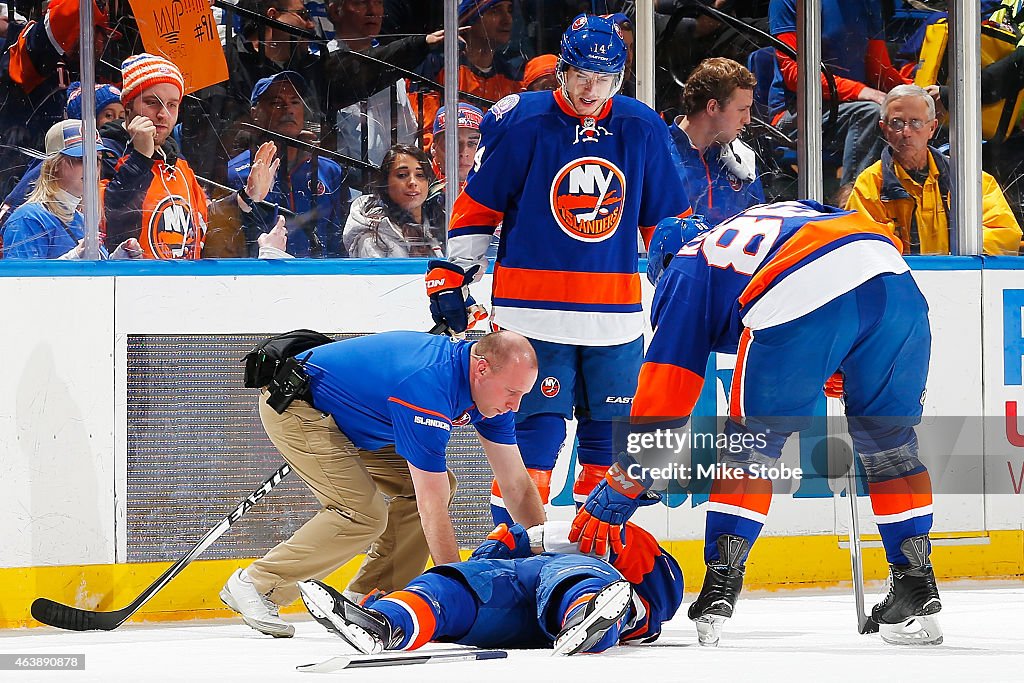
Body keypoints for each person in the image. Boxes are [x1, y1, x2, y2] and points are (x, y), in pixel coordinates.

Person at [571, 201, 943, 647]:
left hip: (797, 288)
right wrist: (840, 346)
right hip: (894, 280)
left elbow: (666, 392)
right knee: (892, 447)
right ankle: (916, 583)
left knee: (749, 449)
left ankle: (719, 589)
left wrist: (631, 476)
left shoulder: (685, 268)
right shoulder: (766, 215)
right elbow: (858, 248)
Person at [424, 14, 691, 526]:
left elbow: (667, 226)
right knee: (535, 432)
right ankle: (515, 546)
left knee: (608, 436)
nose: (591, 90)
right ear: (563, 70)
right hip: (532, 315)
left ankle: (600, 547)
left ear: (619, 78)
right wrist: (457, 272)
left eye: (604, 78)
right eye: (581, 75)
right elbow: (479, 206)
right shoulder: (521, 119)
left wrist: (683, 288)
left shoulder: (640, 126)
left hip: (614, 317)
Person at [219, 329, 547, 638]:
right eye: (512, 393)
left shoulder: (495, 399)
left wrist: (545, 557)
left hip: (358, 424)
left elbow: (516, 485)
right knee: (361, 514)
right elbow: (430, 507)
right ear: (482, 369)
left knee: (440, 483)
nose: (515, 406)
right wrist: (459, 592)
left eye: (522, 394)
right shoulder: (428, 387)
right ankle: (258, 583)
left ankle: (374, 595)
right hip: (299, 408)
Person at [297, 519, 682, 656]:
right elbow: (498, 552)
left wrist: (528, 538)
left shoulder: (634, 575)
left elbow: (660, 590)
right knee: (450, 586)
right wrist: (504, 544)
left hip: (581, 585)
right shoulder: (535, 548)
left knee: (578, 573)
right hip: (518, 586)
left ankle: (586, 615)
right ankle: (384, 624)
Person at [102, 54, 277, 259]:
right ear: (128, 107)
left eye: (172, 104)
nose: (163, 114)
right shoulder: (105, 153)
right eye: (152, 102)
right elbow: (110, 217)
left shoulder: (177, 162)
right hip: (128, 284)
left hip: (184, 284)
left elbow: (202, 220)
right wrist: (140, 158)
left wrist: (245, 197)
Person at [768, 0, 922, 194]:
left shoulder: (869, 3)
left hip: (852, 109)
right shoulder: (789, 2)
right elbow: (796, 75)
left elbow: (878, 69)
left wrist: (916, 93)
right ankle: (854, 204)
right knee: (871, 113)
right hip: (797, 114)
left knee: (917, 116)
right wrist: (860, 91)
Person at [846, 84, 1021, 255]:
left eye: (915, 122)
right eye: (897, 123)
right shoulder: (869, 184)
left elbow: (1005, 234)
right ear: (884, 129)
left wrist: (951, 261)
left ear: (932, 128)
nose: (906, 132)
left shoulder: (968, 178)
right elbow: (860, 246)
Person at [228, 72, 349, 258]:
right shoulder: (237, 171)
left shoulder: (329, 170)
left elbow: (339, 239)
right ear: (255, 113)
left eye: (295, 102)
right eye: (276, 102)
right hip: (260, 275)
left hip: (322, 277)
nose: (288, 109)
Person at [2, 119, 139, 259]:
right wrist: (73, 258)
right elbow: (21, 279)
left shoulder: (81, 219)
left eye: (96, 159)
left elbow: (91, 278)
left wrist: (118, 260)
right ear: (54, 165)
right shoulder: (29, 219)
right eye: (81, 159)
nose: (92, 167)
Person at [671, 57, 764, 227]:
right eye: (742, 110)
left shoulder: (742, 160)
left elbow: (760, 230)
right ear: (712, 107)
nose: (748, 120)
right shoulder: (658, 154)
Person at [412, 0, 523, 135]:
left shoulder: (513, 77)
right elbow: (425, 135)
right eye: (495, 11)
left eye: (509, 10)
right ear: (468, 19)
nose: (508, 20)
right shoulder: (437, 67)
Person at [343, 144, 444, 257]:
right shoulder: (372, 239)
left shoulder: (440, 225)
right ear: (386, 184)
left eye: (420, 175)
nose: (412, 182)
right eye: (402, 175)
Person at [428, 103, 484, 194]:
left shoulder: (498, 189)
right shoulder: (416, 188)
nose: (464, 152)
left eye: (473, 143)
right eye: (453, 143)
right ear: (434, 148)